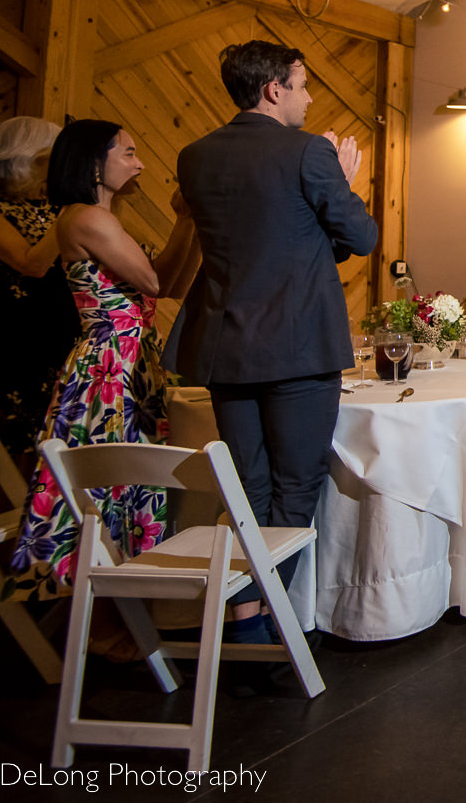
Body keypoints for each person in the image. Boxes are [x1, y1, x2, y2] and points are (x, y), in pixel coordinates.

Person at [174, 41, 377, 646]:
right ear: (274, 89)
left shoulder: (194, 157)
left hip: (224, 346)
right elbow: (360, 237)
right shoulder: (310, 153)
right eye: (303, 84)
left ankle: (244, 620)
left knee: (248, 486)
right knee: (296, 484)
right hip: (297, 346)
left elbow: (283, 235)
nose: (310, 97)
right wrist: (343, 182)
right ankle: (256, 620)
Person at [4, 119, 198, 601]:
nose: (141, 163)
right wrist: (185, 216)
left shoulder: (100, 218)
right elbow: (154, 284)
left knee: (130, 480)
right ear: (94, 161)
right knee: (111, 482)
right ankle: (107, 612)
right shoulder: (87, 218)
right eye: (129, 153)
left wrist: (192, 220)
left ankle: (124, 607)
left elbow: (169, 286)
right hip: (107, 367)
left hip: (131, 360)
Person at [0, 116, 77, 462]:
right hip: (16, 338)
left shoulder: (54, 207)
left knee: (63, 437)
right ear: (26, 157)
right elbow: (31, 264)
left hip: (62, 332)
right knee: (22, 444)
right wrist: (72, 210)